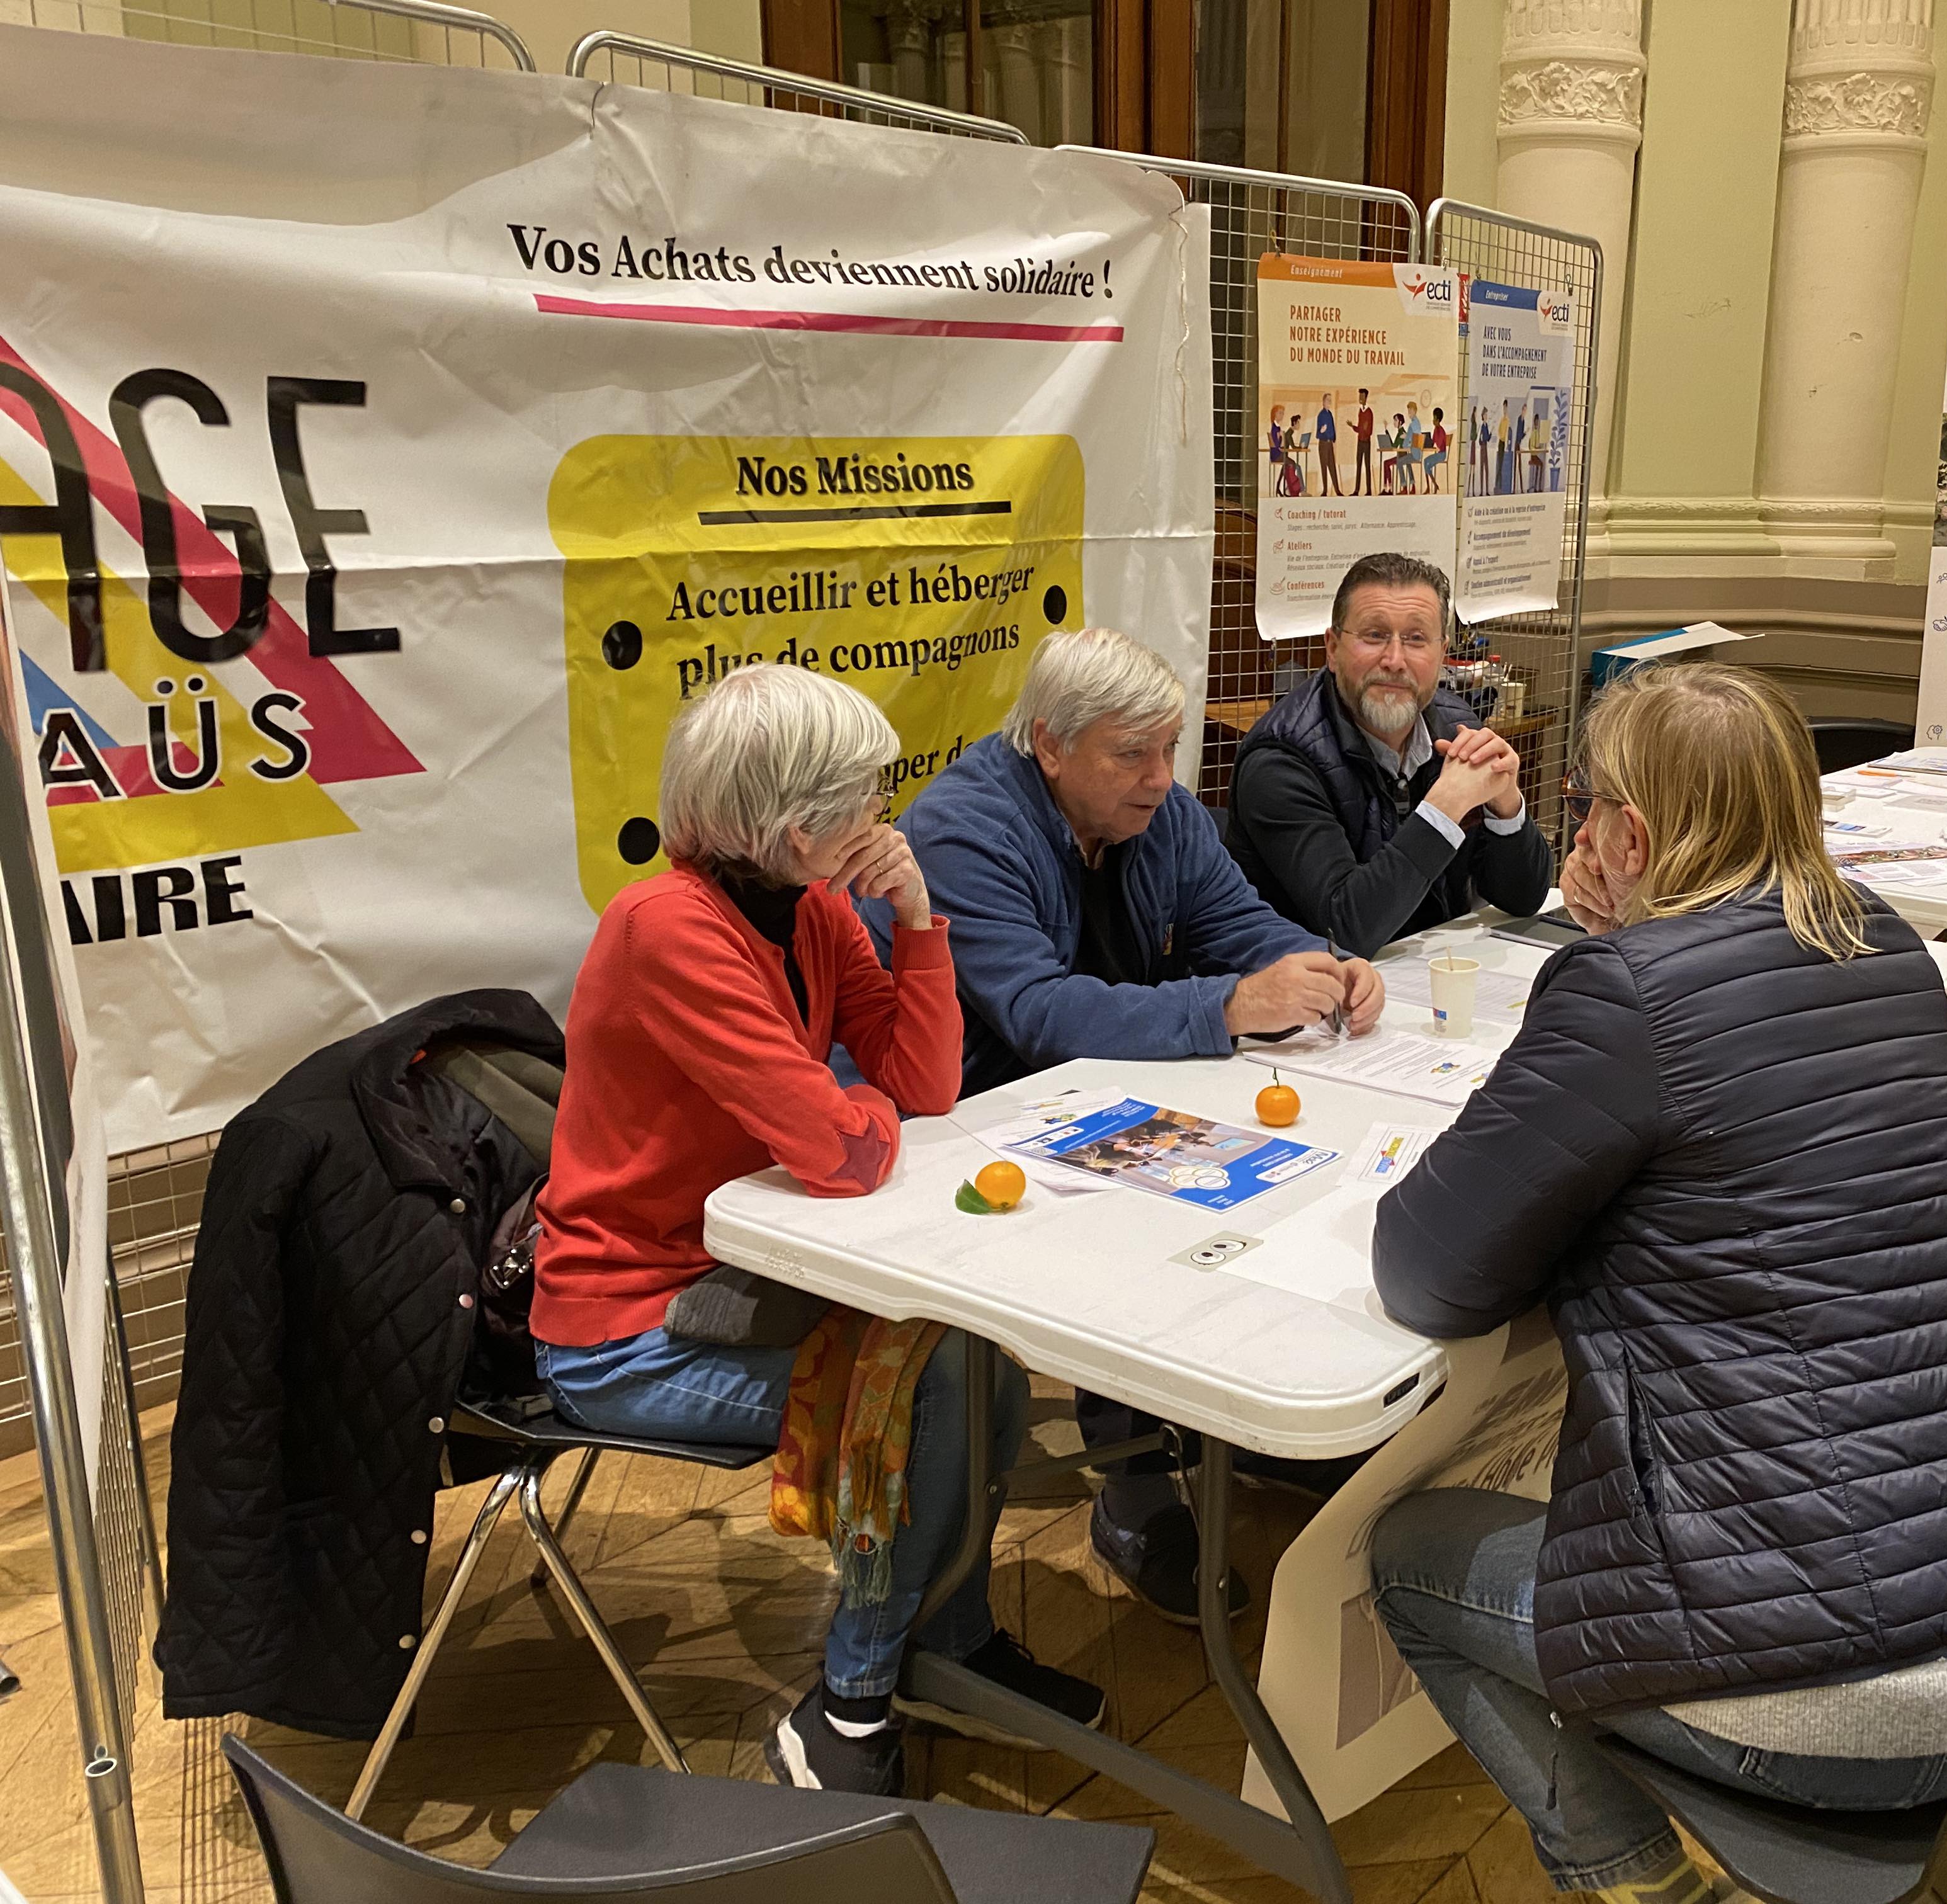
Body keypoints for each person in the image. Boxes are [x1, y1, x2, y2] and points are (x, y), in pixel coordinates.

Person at [1365, 662, 1947, 1903]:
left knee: (1409, 1555)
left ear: (1626, 834)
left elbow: (1425, 1269)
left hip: (1852, 1693)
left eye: (1588, 803)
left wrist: (1608, 960)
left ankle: (1633, 1876)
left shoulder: (1625, 993)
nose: (1579, 830)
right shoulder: (1886, 943)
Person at [529, 664, 1103, 1798]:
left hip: (745, 1277)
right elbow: (845, 1152)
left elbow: (922, 1087)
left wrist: (918, 920)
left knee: (976, 1364)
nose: (882, 814)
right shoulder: (664, 929)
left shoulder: (817, 908)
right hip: (626, 1326)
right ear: (799, 828)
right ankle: (852, 1696)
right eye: (865, 797)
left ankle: (947, 1645)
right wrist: (854, 1115)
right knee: (925, 1395)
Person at [886, 628, 1385, 1620]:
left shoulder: (1162, 813)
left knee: (1260, 1192)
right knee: (1150, 1231)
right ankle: (1136, 1487)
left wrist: (1323, 965)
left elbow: (1238, 924)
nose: (1161, 779)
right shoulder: (962, 829)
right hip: (969, 1128)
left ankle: (1238, 1428)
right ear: (1050, 744)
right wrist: (1228, 1006)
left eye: (1170, 750)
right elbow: (1035, 1012)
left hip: (1107, 1100)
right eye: (1132, 755)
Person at [1227, 552, 1555, 957]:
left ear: (1441, 653)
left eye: (1416, 639)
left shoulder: (1456, 727)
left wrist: (1506, 807)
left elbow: (1522, 899)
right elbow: (1346, 927)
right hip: (1315, 986)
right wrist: (1445, 807)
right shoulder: (1280, 761)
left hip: (1430, 971)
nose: (1395, 661)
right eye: (1374, 635)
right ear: (1333, 648)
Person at [1316, 391, 1341, 496]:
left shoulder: (1330, 414)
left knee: (1332, 467)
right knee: (1324, 467)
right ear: (1323, 402)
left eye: (1330, 401)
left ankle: (1337, 490)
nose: (1329, 402)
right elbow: (1318, 432)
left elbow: (1332, 428)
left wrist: (1334, 438)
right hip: (1323, 443)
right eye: (1328, 400)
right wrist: (1321, 431)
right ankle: (1325, 490)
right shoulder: (1321, 415)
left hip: (1330, 444)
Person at [1354, 387, 1377, 495]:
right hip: (1360, 441)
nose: (1360, 398)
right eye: (1360, 396)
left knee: (1367, 466)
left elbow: (1369, 430)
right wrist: (1354, 427)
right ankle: (1356, 490)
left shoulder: (1369, 412)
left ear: (1366, 397)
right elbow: (1360, 428)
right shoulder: (1360, 411)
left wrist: (1364, 431)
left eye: (1362, 396)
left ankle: (1369, 490)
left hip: (1366, 442)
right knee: (1358, 465)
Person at [1424, 407, 1450, 492]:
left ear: (1438, 420)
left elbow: (1439, 444)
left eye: (1434, 418)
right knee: (1426, 464)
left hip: (1442, 455)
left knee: (1426, 463)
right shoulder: (1436, 429)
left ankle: (1432, 486)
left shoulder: (1441, 431)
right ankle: (1432, 486)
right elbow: (1433, 442)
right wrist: (1426, 441)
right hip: (1438, 454)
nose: (1433, 420)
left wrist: (1433, 445)